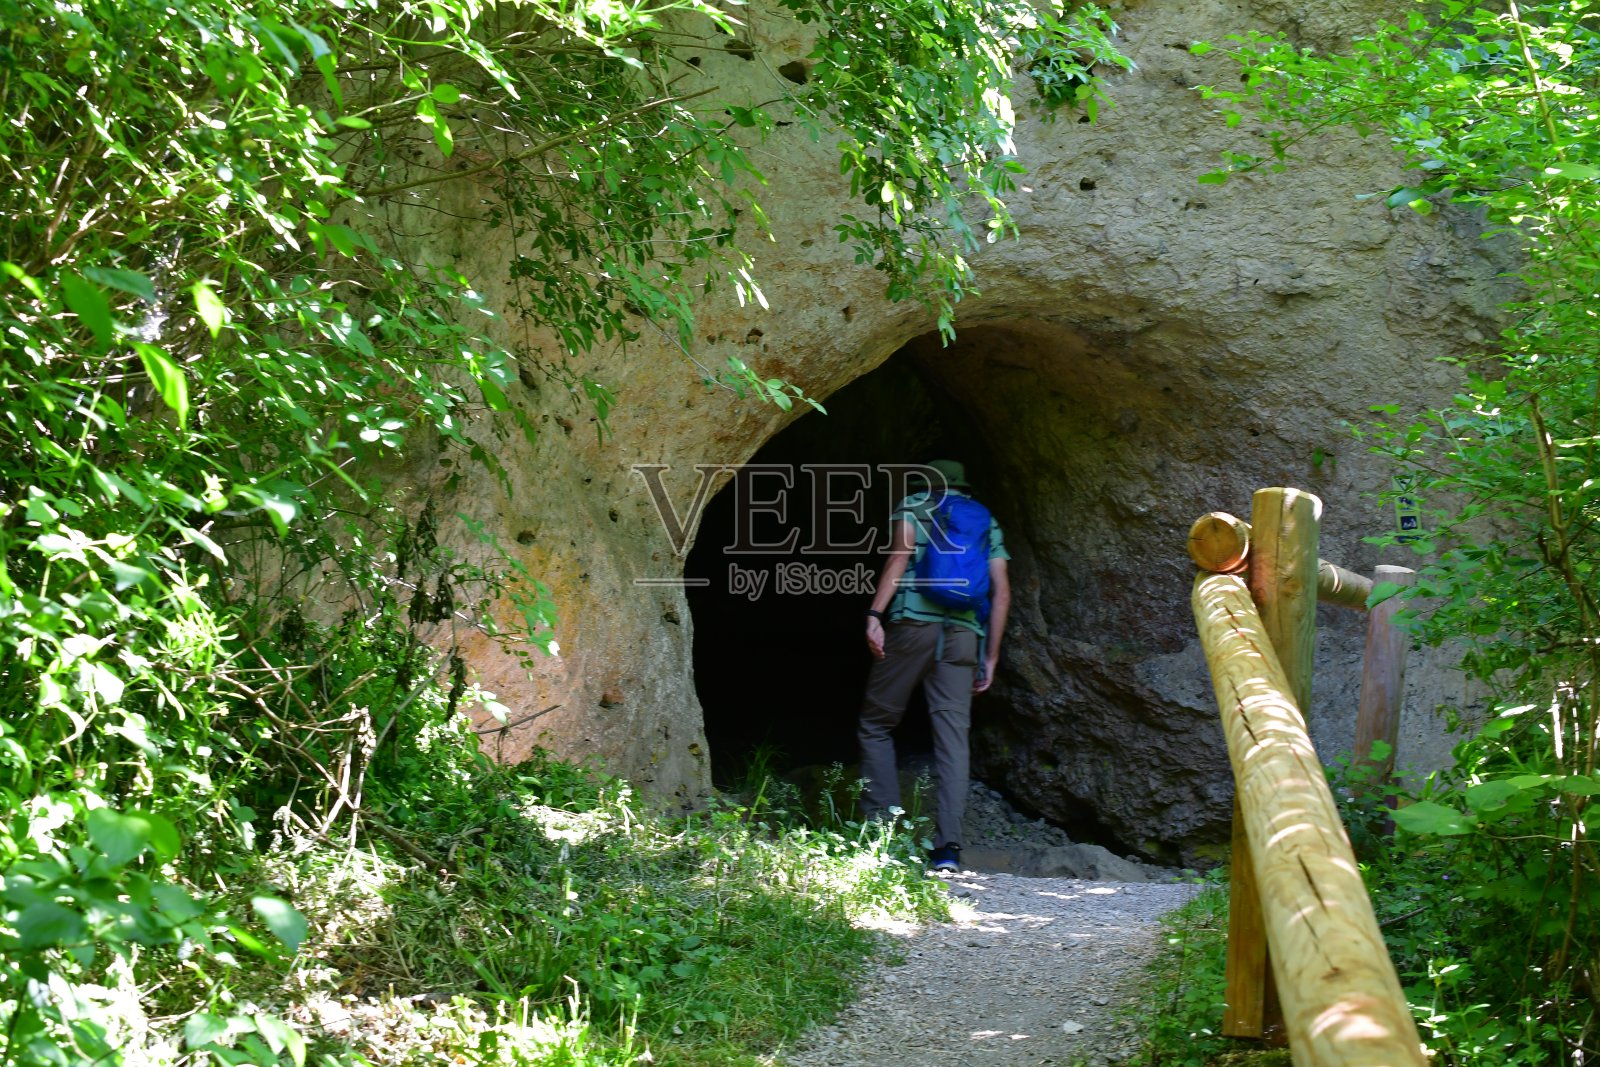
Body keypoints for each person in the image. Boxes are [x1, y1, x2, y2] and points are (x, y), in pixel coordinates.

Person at [859, 459, 1011, 873]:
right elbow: (1001, 594)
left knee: (876, 724)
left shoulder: (915, 505)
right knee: (952, 741)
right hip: (963, 636)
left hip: (912, 627)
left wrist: (874, 614)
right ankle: (948, 850)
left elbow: (898, 557)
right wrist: (991, 656)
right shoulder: (985, 520)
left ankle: (882, 838)